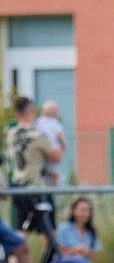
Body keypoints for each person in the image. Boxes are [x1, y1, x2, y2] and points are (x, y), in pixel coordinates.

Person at [7, 96, 62, 234]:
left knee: (21, 232)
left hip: (17, 186)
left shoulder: (11, 134)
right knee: (51, 233)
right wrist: (62, 141)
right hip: (36, 187)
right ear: (31, 111)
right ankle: (52, 256)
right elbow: (57, 157)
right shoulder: (37, 134)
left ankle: (15, 256)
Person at [57, 197, 105, 263]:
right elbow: (57, 251)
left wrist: (86, 252)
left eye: (88, 211)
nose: (86, 214)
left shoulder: (91, 232)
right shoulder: (63, 228)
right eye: (83, 210)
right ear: (73, 211)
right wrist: (76, 250)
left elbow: (94, 254)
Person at [36, 100, 67, 186]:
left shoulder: (37, 122)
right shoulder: (55, 123)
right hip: (53, 151)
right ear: (54, 112)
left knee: (45, 173)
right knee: (53, 174)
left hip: (41, 153)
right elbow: (61, 137)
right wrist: (63, 148)